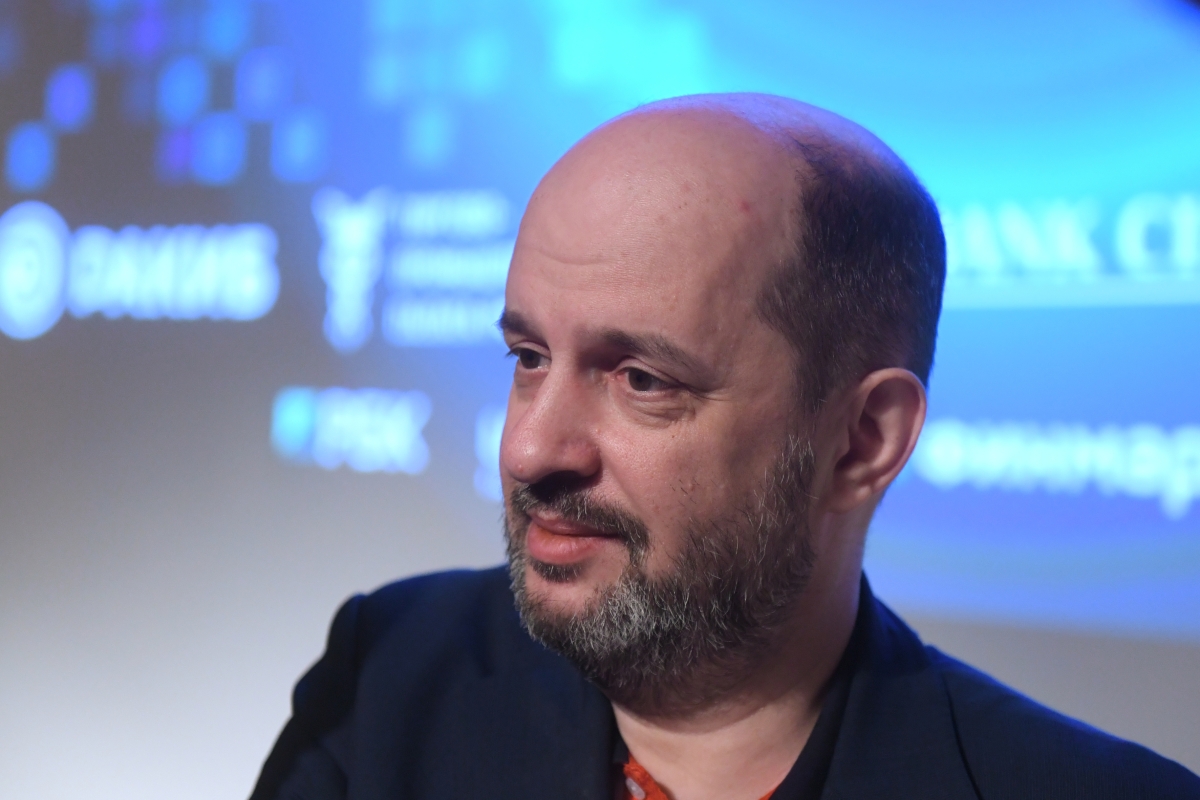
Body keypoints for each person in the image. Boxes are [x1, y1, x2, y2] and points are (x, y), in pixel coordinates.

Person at [250, 94, 1200, 800]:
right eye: (529, 358)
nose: (530, 450)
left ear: (862, 442)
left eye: (642, 380)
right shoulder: (392, 679)